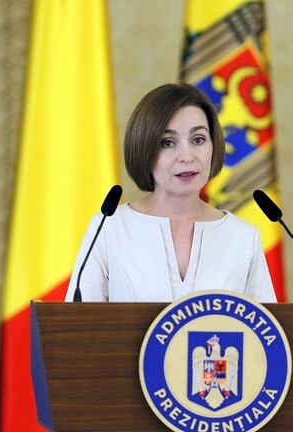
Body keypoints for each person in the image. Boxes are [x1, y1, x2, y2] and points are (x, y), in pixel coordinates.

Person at [65, 83, 276, 303]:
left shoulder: (243, 237)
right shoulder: (109, 228)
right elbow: (78, 320)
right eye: (168, 143)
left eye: (198, 140)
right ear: (144, 149)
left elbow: (266, 323)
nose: (187, 156)